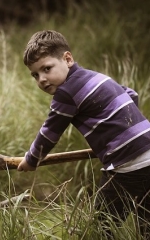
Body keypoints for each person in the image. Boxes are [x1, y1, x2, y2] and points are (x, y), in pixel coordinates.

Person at [17, 30, 150, 238]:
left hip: (128, 165)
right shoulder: (97, 77)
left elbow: (49, 133)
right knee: (146, 223)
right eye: (35, 74)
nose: (42, 79)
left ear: (67, 59)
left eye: (46, 69)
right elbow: (131, 94)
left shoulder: (66, 92)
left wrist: (31, 160)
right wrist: (125, 133)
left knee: (103, 226)